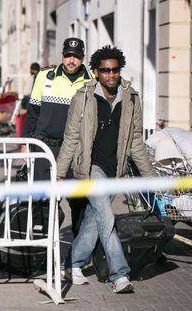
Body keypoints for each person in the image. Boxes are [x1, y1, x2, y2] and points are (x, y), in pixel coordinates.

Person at [56, 45, 155, 293]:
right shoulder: (83, 97)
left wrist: (151, 177)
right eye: (105, 70)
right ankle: (119, 275)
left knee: (94, 220)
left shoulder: (131, 98)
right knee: (107, 218)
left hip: (115, 168)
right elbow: (70, 138)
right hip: (91, 167)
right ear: (96, 72)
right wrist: (59, 172)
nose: (111, 75)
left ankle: (71, 264)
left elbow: (135, 143)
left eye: (115, 70)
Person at [23, 38, 94, 237]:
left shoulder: (92, 82)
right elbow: (33, 113)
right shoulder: (45, 76)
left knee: (79, 204)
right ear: (62, 55)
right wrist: (26, 144)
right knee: (42, 203)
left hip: (75, 152)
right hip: (45, 149)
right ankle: (43, 250)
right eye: (68, 56)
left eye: (76, 56)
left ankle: (78, 256)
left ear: (83, 57)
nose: (71, 60)